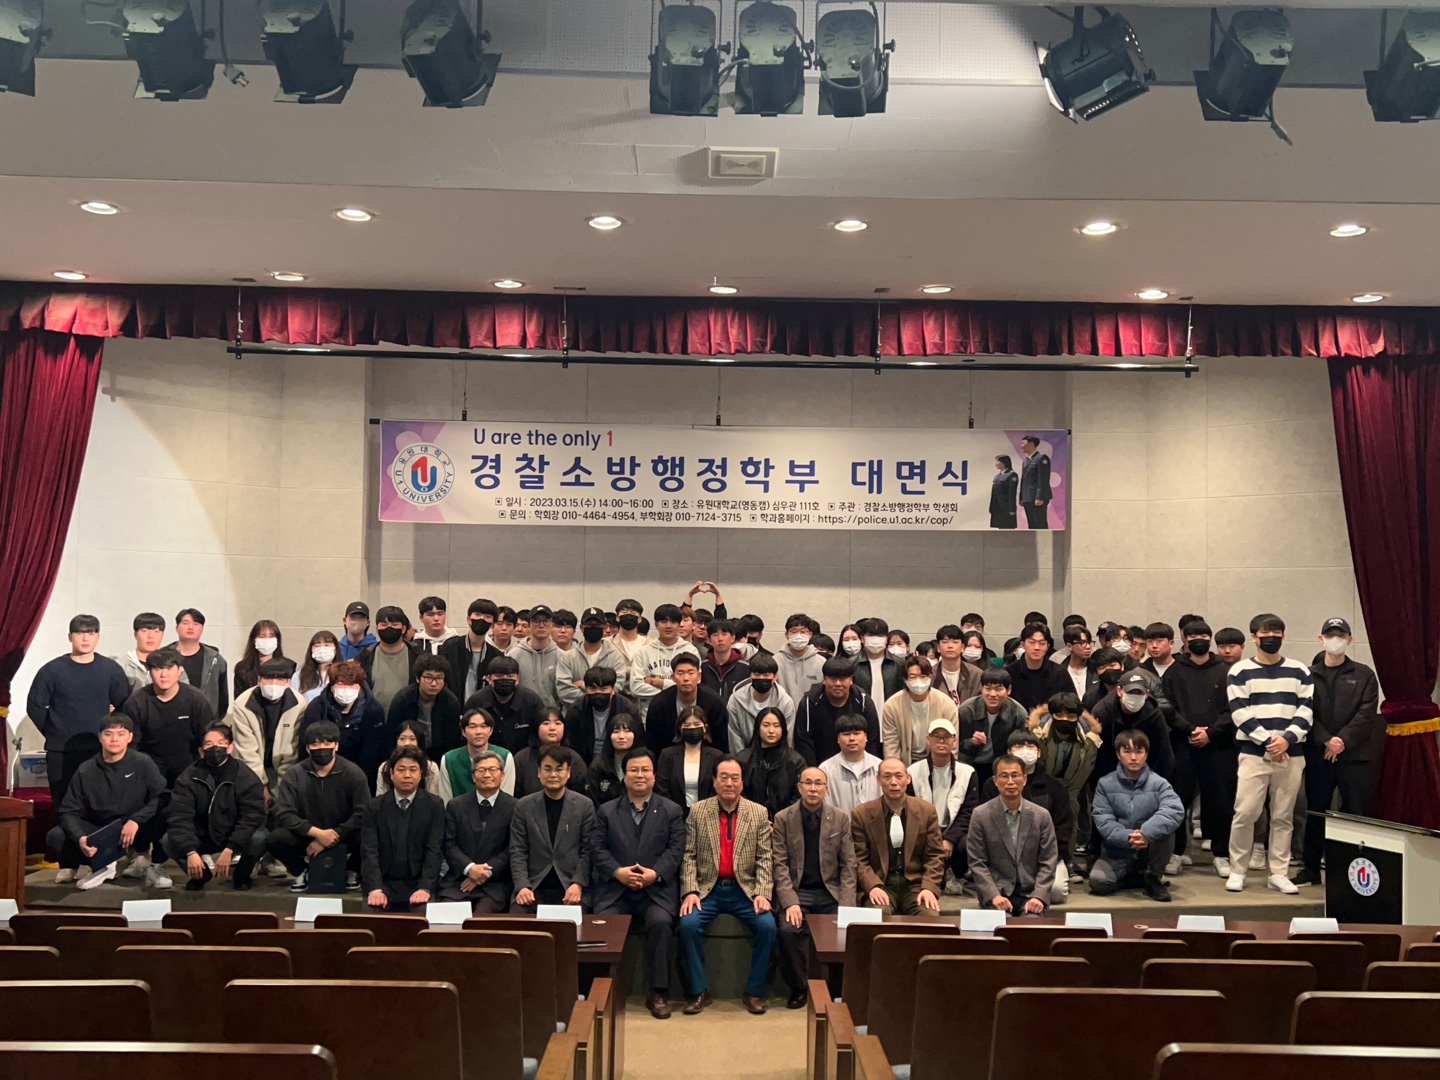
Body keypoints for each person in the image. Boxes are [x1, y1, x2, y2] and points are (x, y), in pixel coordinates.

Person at [27, 615, 133, 883]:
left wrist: (111, 737)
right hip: (61, 753)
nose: (85, 638)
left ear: (98, 637)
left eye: (91, 632)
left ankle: (94, 862)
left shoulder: (110, 669)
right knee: (64, 807)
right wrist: (55, 732)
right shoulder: (52, 670)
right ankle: (68, 863)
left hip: (99, 752)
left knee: (97, 808)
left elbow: (124, 706)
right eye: (80, 632)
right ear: (70, 637)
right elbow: (35, 706)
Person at [589, 747, 687, 1019]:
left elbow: (676, 849)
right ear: (624, 776)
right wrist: (617, 872)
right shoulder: (607, 811)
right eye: (634, 770)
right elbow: (597, 848)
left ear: (654, 776)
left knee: (661, 923)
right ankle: (603, 992)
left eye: (645, 770)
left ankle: (658, 992)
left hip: (655, 890)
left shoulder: (671, 810)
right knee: (604, 923)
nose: (640, 775)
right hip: (615, 890)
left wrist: (655, 874)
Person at [677, 756, 777, 1015]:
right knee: (688, 924)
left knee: (768, 926)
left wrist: (763, 893)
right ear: (714, 781)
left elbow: (765, 858)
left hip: (744, 890)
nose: (729, 783)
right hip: (708, 890)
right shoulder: (698, 811)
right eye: (724, 777)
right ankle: (700, 991)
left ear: (742, 783)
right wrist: (690, 890)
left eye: (735, 778)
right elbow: (689, 855)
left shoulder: (758, 812)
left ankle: (754, 991)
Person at [1226, 615, 1312, 895]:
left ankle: (1279, 872)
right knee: (1245, 813)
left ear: (1284, 636)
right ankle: (1238, 870)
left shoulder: (1299, 670)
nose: (1271, 638)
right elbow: (1240, 711)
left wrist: (1286, 739)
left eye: (1276, 633)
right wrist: (1268, 741)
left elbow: (1306, 710)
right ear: (1254, 637)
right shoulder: (1240, 671)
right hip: (1254, 754)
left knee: (1283, 816)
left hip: (1291, 754)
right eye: (1265, 633)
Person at [1298, 617, 1379, 886]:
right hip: (1318, 755)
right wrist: (1325, 740)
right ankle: (1311, 868)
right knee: (1316, 811)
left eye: (1341, 635)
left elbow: (1366, 713)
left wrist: (1341, 741)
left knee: (1356, 811)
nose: (1336, 640)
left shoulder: (1364, 674)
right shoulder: (1307, 675)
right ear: (1321, 639)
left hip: (1354, 756)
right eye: (1330, 635)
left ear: (1350, 640)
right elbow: (1305, 713)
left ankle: (1352, 870)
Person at [48, 714, 167, 890]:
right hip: (103, 829)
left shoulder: (143, 763)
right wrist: (80, 837)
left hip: (136, 826)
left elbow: (162, 796)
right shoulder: (86, 769)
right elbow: (68, 810)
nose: (114, 739)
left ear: (130, 737)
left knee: (166, 816)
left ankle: (152, 865)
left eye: (121, 734)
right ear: (100, 737)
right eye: (108, 734)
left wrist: (136, 819)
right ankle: (97, 864)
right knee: (56, 836)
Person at [772, 766, 858, 1008]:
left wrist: (846, 906)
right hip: (798, 892)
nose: (813, 788)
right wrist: (790, 902)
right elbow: (779, 865)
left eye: (818, 783)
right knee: (788, 929)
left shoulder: (840, 818)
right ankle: (800, 987)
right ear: (799, 787)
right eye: (807, 783)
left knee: (845, 932)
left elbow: (849, 865)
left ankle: (836, 990)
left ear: (826, 789)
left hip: (831, 892)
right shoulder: (783, 819)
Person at [1161, 622, 1235, 878]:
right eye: (1193, 636)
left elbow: (1233, 709)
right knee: (1177, 800)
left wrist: (1210, 733)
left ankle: (1221, 854)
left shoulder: (1224, 671)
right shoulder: (1174, 671)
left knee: (1221, 802)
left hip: (1219, 747)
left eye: (1203, 635)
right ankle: (1176, 852)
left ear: (1210, 638)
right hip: (1184, 745)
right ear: (1185, 639)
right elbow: (1166, 706)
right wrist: (1190, 729)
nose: (1199, 640)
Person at [164, 723, 268, 891]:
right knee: (167, 840)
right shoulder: (188, 776)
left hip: (233, 834)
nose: (215, 748)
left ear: (230, 747)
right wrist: (190, 851)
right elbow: (179, 816)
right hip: (202, 835)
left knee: (260, 836)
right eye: (209, 744)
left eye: (221, 743)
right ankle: (200, 875)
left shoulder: (245, 776)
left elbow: (252, 816)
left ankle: (242, 874)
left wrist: (230, 848)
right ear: (201, 750)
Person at [267, 720, 370, 890]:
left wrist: (334, 835)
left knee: (370, 834)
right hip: (307, 835)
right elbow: (284, 813)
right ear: (307, 748)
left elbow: (362, 812)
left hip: (344, 834)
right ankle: (303, 871)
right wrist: (318, 834)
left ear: (336, 746)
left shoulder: (354, 773)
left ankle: (351, 870)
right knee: (276, 838)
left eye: (327, 743)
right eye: (315, 744)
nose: (321, 748)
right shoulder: (294, 774)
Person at [1089, 729, 1185, 902]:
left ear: (1146, 755)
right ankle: (1133, 876)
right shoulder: (1105, 784)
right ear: (1118, 755)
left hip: (1150, 850)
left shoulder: (1159, 783)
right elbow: (1103, 820)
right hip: (1117, 850)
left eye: (1139, 752)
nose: (1133, 757)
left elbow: (1174, 810)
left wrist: (1146, 834)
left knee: (1167, 828)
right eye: (1127, 751)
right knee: (1098, 882)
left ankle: (1153, 876)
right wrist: (1128, 837)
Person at [979, 728, 1073, 900]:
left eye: (1030, 746)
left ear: (1039, 752)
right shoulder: (992, 786)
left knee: (1056, 891)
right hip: (1003, 858)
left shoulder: (1055, 787)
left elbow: (1064, 829)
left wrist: (1045, 860)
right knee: (996, 891)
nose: (1025, 750)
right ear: (1009, 752)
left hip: (1044, 857)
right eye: (1019, 746)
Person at [966, 754, 1059, 914]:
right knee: (1000, 925)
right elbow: (977, 862)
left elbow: (1048, 860)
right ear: (995, 781)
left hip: (1030, 894)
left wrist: (1039, 896)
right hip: (997, 893)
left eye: (1015, 775)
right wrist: (993, 895)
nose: (1010, 781)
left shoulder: (1041, 815)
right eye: (1004, 776)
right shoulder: (980, 815)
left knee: (1031, 926)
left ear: (1024, 779)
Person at [510, 744, 597, 911]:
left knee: (573, 920)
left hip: (570, 884)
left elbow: (588, 851)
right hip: (534, 885)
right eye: (547, 769)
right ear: (539, 772)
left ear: (568, 772)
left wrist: (578, 883)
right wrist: (522, 886)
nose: (553, 775)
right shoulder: (524, 806)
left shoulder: (584, 805)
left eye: (559, 769)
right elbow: (517, 850)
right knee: (517, 916)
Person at [852, 757, 945, 914]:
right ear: (878, 780)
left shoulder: (926, 811)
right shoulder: (862, 814)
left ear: (908, 779)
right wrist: (872, 886)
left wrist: (929, 887)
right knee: (878, 915)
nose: (893, 782)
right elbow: (859, 859)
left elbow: (935, 855)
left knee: (929, 916)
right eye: (887, 776)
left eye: (899, 776)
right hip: (882, 884)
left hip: (916, 886)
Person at [360, 746, 445, 912]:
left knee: (423, 916)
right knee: (371, 916)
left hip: (418, 883)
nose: (407, 775)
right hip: (384, 883)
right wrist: (375, 888)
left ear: (421, 774)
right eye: (401, 769)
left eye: (413, 770)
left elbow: (434, 850)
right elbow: (369, 851)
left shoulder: (434, 806)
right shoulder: (374, 807)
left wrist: (425, 887)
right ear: (392, 774)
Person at [1026, 692, 1100, 865]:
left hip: (1072, 789)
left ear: (1078, 717)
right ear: (1052, 715)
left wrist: (1069, 795)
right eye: (1059, 715)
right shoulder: (1037, 736)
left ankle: (1066, 861)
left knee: (1070, 821)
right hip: (1042, 787)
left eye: (1070, 716)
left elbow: (1084, 771)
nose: (1064, 719)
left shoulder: (1090, 740)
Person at [439, 750, 516, 914]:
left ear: (502, 775)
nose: (487, 775)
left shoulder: (515, 807)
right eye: (481, 770)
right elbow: (449, 845)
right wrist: (470, 869)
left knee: (480, 920)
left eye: (492, 770)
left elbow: (513, 848)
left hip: (495, 884)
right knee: (448, 919)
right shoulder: (456, 805)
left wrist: (483, 873)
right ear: (473, 777)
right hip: (459, 881)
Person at [907, 718, 979, 893]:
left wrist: (949, 839)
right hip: (924, 829)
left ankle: (956, 873)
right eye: (936, 736)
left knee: (967, 843)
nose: (941, 741)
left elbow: (969, 811)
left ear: (954, 741)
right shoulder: (912, 771)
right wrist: (933, 836)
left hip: (953, 830)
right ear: (928, 740)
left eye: (946, 737)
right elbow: (910, 809)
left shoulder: (968, 772)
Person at [299, 659, 387, 789]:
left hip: (360, 775)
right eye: (340, 685)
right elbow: (305, 745)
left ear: (359, 686)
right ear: (332, 686)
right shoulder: (316, 707)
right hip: (321, 772)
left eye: (351, 685)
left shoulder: (373, 710)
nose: (345, 690)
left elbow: (372, 754)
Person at [227, 656, 306, 801]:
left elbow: (291, 751)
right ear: (259, 680)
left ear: (288, 683)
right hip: (251, 770)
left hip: (282, 769)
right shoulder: (243, 704)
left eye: (280, 680)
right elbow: (247, 752)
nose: (273, 685)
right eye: (268, 679)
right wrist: (261, 786)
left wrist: (283, 788)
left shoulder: (298, 704)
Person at [795, 658, 881, 766]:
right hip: (820, 764)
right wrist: (813, 771)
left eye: (843, 679)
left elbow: (872, 739)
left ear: (851, 680)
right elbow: (803, 741)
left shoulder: (863, 701)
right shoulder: (809, 702)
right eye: (833, 679)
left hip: (858, 763)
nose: (838, 684)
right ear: (824, 679)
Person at [881, 654, 960, 763]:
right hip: (904, 762)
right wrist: (896, 769)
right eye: (913, 677)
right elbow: (891, 747)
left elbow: (952, 744)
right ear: (905, 679)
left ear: (930, 677)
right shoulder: (891, 706)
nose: (918, 681)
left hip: (937, 761)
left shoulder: (946, 704)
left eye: (923, 676)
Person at [628, 604, 701, 720]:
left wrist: (658, 682)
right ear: (656, 624)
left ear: (679, 624)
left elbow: (695, 683)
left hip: (683, 718)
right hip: (649, 716)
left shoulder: (690, 650)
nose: (668, 626)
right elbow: (636, 688)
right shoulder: (643, 652)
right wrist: (675, 688)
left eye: (673, 622)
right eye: (663, 621)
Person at [644, 653, 728, 753]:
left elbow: (721, 743)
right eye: (680, 673)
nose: (686, 678)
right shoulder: (659, 704)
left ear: (699, 676)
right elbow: (653, 745)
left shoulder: (715, 703)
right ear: (673, 677)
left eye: (691, 673)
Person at [386, 653, 462, 761]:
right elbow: (391, 736)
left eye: (439, 678)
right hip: (405, 754)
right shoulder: (403, 700)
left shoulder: (451, 703)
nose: (434, 683)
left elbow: (451, 741)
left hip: (438, 756)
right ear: (418, 678)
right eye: (428, 677)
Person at [735, 707, 807, 818]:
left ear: (783, 729)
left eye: (776, 726)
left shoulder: (796, 761)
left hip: (787, 821)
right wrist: (755, 818)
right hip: (748, 819)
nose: (771, 731)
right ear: (757, 728)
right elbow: (738, 793)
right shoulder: (742, 759)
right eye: (766, 725)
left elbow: (799, 796)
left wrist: (782, 820)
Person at [463, 655, 545, 753]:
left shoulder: (532, 701)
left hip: (523, 756)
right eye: (499, 676)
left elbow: (539, 736)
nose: (505, 680)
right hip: (485, 755)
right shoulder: (476, 702)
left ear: (517, 679)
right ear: (489, 679)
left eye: (510, 676)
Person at [657, 705, 726, 815]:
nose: (692, 728)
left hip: (709, 814)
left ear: (705, 727)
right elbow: (662, 789)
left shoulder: (716, 756)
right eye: (687, 725)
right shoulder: (667, 755)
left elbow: (718, 789)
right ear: (680, 728)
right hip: (674, 815)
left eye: (697, 724)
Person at [566, 665, 641, 764]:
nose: (598, 693)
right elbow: (572, 746)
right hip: (585, 761)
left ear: (613, 689)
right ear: (586, 689)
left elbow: (638, 743)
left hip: (620, 760)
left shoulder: (628, 709)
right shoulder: (576, 711)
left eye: (603, 689)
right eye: (592, 689)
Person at [557, 607, 628, 709]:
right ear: (582, 628)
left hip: (607, 713)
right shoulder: (568, 657)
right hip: (576, 713)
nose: (593, 628)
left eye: (597, 625)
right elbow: (564, 690)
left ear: (604, 628)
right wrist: (597, 697)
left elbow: (617, 686)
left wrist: (582, 685)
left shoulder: (615, 656)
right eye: (589, 625)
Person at [958, 668, 1028, 769]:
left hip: (1002, 765)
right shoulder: (967, 710)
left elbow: (1018, 747)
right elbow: (958, 745)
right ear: (981, 688)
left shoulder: (1018, 713)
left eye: (998, 689)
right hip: (969, 764)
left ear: (1008, 690)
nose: (992, 694)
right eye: (988, 689)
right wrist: (973, 742)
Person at [513, 708, 591, 799]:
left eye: (557, 723)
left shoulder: (574, 759)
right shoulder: (522, 758)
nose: (552, 728)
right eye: (546, 723)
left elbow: (580, 796)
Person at [439, 598, 505, 702]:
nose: (482, 619)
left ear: (493, 624)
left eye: (487, 616)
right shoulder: (450, 647)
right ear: (469, 619)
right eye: (477, 614)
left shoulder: (496, 656)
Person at [726, 652, 796, 749]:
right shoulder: (735, 700)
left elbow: (787, 739)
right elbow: (735, 738)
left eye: (766, 675)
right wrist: (742, 758)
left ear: (775, 677)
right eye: (757, 674)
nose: (761, 678)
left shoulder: (786, 703)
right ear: (750, 676)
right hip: (744, 755)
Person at [442, 707, 516, 798]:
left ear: (491, 730)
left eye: (484, 726)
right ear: (463, 731)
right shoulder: (449, 759)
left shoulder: (505, 756)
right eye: (472, 727)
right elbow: (445, 799)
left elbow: (507, 799)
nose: (478, 732)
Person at [357, 606, 420, 713]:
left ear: (403, 628)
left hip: (408, 718)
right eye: (384, 625)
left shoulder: (417, 655)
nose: (389, 628)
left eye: (394, 624)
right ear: (377, 629)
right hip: (374, 718)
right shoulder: (364, 657)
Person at [169, 608, 229, 718]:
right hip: (170, 718)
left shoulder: (215, 660)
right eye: (185, 623)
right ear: (177, 628)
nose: (190, 627)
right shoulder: (164, 657)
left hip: (206, 720)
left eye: (196, 623)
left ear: (202, 629)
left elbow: (223, 698)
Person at [818, 713, 882, 813]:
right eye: (846, 734)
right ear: (838, 739)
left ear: (865, 737)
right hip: (839, 823)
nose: (852, 738)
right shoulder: (825, 769)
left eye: (857, 733)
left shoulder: (879, 766)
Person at [377, 721, 452, 800]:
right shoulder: (384, 767)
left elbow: (433, 800)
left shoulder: (431, 767)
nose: (406, 743)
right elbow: (380, 800)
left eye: (412, 739)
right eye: (402, 739)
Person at [506, 603, 561, 710]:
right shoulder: (513, 655)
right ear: (529, 625)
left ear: (553, 625)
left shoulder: (561, 656)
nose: (541, 625)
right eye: (536, 621)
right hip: (521, 712)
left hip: (551, 714)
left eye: (546, 621)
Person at [1005, 622, 1071, 711]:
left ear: (1047, 646)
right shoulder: (1009, 673)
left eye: (1042, 643)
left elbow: (1070, 703)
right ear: (1023, 645)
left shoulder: (1060, 673)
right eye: (1032, 642)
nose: (1037, 647)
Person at [587, 713, 643, 806]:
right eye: (616, 731)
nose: (621, 736)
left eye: (626, 731)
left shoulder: (644, 765)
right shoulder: (597, 767)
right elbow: (593, 803)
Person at [114, 612, 172, 694]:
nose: (150, 636)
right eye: (144, 631)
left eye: (156, 631)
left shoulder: (173, 664)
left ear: (162, 635)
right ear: (135, 634)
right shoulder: (119, 666)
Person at [774, 614, 824, 704]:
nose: (798, 636)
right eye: (793, 632)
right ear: (787, 635)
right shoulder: (775, 661)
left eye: (803, 632)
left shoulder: (821, 662)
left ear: (810, 634)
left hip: (811, 711)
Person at [700, 619, 751, 704]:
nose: (720, 639)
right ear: (708, 640)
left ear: (733, 638)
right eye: (715, 635)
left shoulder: (745, 669)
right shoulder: (702, 668)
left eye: (724, 634)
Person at [931, 625, 983, 708]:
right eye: (945, 642)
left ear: (962, 647)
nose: (950, 646)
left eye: (955, 642)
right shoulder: (930, 674)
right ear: (938, 648)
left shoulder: (976, 674)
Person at [851, 618, 902, 701]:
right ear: (862, 638)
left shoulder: (898, 663)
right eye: (870, 635)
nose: (875, 639)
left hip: (890, 708)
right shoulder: (851, 663)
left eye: (880, 635)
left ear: (887, 639)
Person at [233, 620, 286, 699]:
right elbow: (239, 698)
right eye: (261, 636)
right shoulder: (242, 668)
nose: (266, 640)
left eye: (271, 636)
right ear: (254, 640)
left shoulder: (285, 667)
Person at [298, 631, 342, 704]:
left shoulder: (343, 674)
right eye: (317, 646)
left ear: (335, 649)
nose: (322, 649)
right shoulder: (300, 675)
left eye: (327, 645)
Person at [1019, 436, 1052, 529]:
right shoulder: (1026, 461)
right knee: (1032, 525)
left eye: (1023, 443)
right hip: (1027, 498)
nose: (1021, 446)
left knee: (1040, 524)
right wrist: (1022, 497)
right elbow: (1024, 480)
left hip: (1037, 498)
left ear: (1032, 444)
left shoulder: (1041, 458)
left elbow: (1043, 479)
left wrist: (1040, 497)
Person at [988, 454, 1019, 529]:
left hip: (1006, 508)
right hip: (997, 507)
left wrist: (1012, 509)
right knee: (1000, 529)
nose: (996, 464)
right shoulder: (997, 476)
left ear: (1004, 462)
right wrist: (991, 507)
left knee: (1008, 529)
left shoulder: (1011, 475)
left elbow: (1012, 493)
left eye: (997, 461)